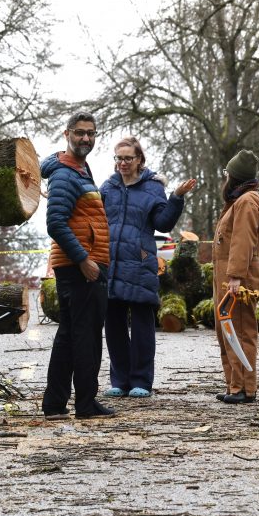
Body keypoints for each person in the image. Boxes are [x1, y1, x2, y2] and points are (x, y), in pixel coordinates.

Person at [100, 137, 197, 398]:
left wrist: (176, 197)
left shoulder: (153, 188)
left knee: (143, 325)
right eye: (118, 158)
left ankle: (141, 380)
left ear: (139, 160)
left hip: (141, 262)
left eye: (128, 158)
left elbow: (163, 223)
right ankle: (119, 380)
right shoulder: (107, 187)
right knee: (114, 325)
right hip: (112, 263)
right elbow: (94, 219)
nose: (122, 163)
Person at [41, 112, 115, 419]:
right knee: (85, 337)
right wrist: (84, 260)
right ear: (67, 134)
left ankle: (55, 404)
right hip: (80, 266)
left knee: (70, 335)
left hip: (80, 263)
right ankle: (86, 403)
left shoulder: (80, 169)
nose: (86, 138)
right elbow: (55, 223)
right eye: (80, 132)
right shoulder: (65, 174)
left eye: (91, 133)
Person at [213, 150, 259, 404]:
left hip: (237, 279)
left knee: (240, 330)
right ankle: (234, 385)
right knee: (226, 331)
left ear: (234, 176)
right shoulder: (237, 200)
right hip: (226, 276)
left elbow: (243, 241)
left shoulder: (247, 201)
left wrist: (235, 276)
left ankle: (245, 388)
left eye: (227, 173)